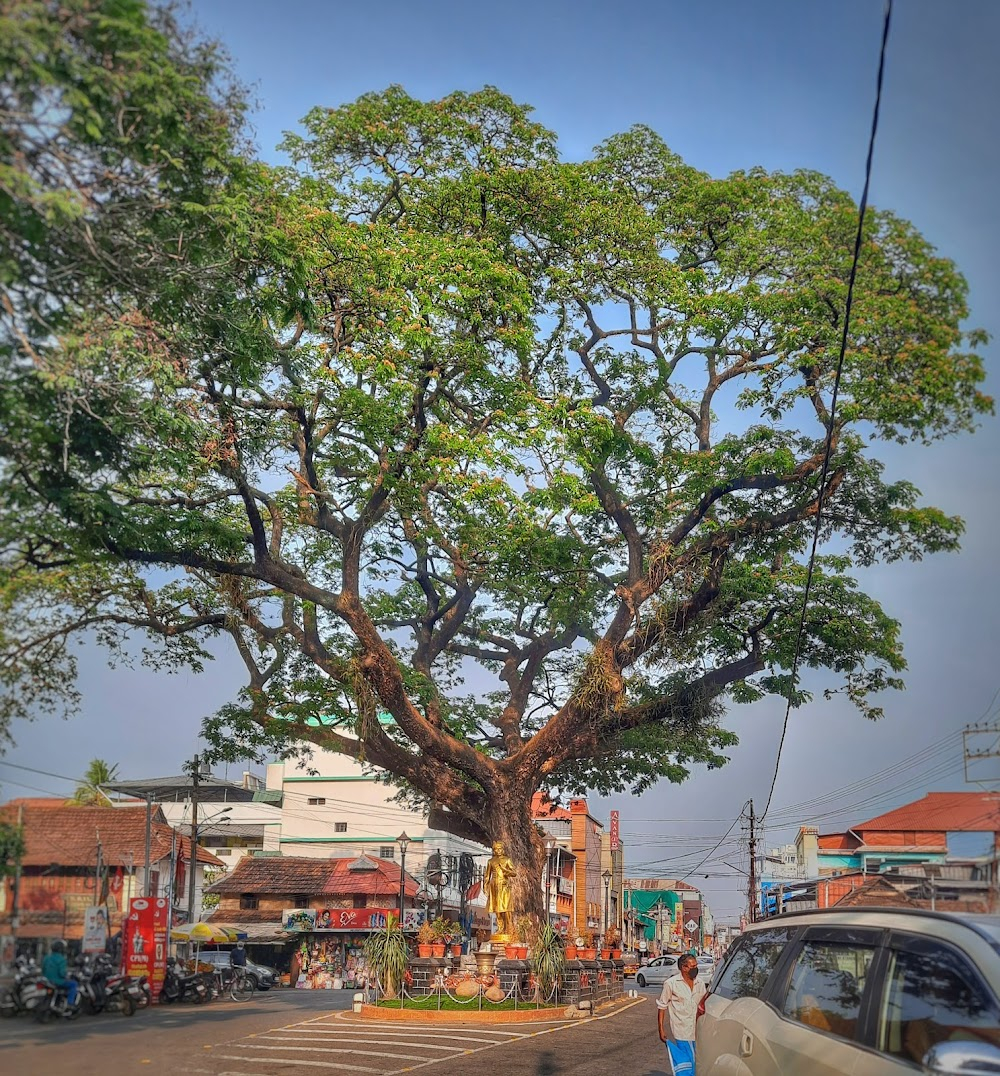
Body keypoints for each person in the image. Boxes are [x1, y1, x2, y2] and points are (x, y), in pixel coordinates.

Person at [656, 953, 706, 1076]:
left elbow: (704, 1004)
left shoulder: (700, 983)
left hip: (698, 1030)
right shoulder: (671, 984)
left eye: (696, 965)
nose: (695, 968)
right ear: (684, 967)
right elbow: (662, 1006)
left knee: (698, 1062)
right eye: (692, 966)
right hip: (682, 1030)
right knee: (689, 1062)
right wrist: (661, 1029)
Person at [483, 840, 517, 940]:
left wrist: (505, 870)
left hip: (504, 886)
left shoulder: (507, 860)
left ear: (503, 849)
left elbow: (514, 873)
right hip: (494, 886)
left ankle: (509, 928)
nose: (498, 851)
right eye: (496, 849)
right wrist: (485, 886)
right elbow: (487, 876)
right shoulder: (491, 861)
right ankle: (500, 928)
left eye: (500, 848)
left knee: (506, 909)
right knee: (497, 909)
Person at [41, 940, 78, 1009]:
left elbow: (43, 970)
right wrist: (67, 976)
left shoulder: (46, 957)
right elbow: (62, 973)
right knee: (74, 984)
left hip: (47, 980)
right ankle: (70, 1003)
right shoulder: (61, 959)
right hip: (58, 981)